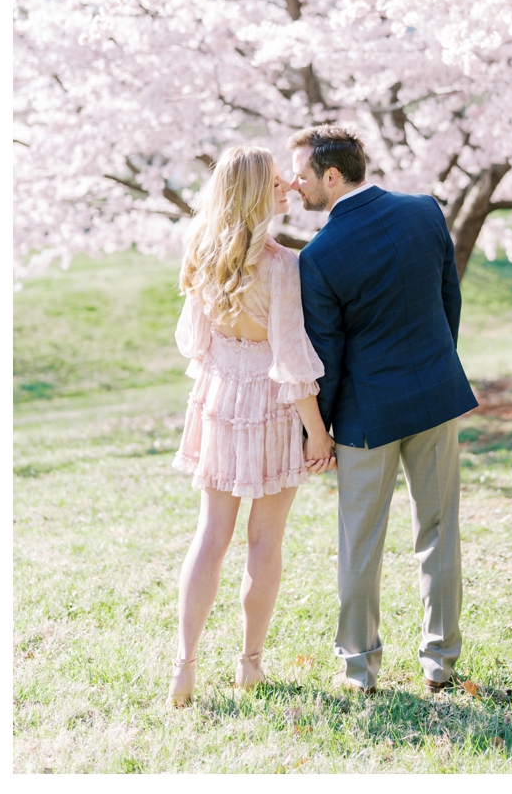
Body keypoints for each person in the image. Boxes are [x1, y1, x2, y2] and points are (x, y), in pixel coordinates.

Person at [290, 125, 478, 695]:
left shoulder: (319, 256)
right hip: (436, 398)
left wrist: (317, 431)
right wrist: (435, 365)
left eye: (301, 174)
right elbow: (450, 299)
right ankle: (440, 662)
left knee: (360, 543)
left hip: (366, 419)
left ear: (330, 175)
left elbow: (328, 356)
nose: (294, 185)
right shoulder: (425, 212)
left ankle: (358, 669)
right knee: (440, 532)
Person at [169, 146, 333, 706]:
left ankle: (184, 665)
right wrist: (317, 430)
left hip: (218, 395)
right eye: (278, 181)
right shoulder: (283, 265)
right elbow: (291, 357)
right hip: (270, 402)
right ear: (260, 193)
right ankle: (249, 664)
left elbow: (194, 342)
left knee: (210, 535)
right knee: (265, 539)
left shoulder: (201, 252)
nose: (289, 184)